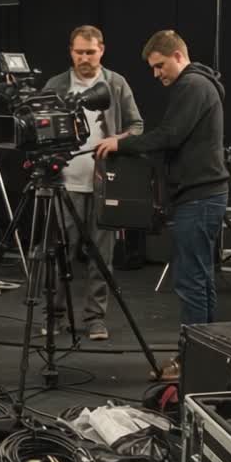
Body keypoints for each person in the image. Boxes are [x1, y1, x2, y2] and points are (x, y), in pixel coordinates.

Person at [95, 30, 228, 380]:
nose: (156, 74)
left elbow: (169, 135)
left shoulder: (192, 86)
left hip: (199, 197)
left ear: (178, 56)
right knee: (200, 280)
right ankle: (204, 355)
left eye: (159, 66)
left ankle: (192, 362)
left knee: (191, 282)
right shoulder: (201, 85)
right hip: (204, 195)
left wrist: (122, 144)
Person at [42, 25, 145, 341]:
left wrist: (118, 139)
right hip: (66, 183)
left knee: (102, 257)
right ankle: (54, 316)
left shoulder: (115, 84)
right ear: (70, 51)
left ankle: (95, 319)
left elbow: (137, 125)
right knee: (60, 253)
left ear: (102, 50)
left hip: (103, 185)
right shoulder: (56, 85)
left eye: (90, 51)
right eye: (78, 52)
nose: (84, 58)